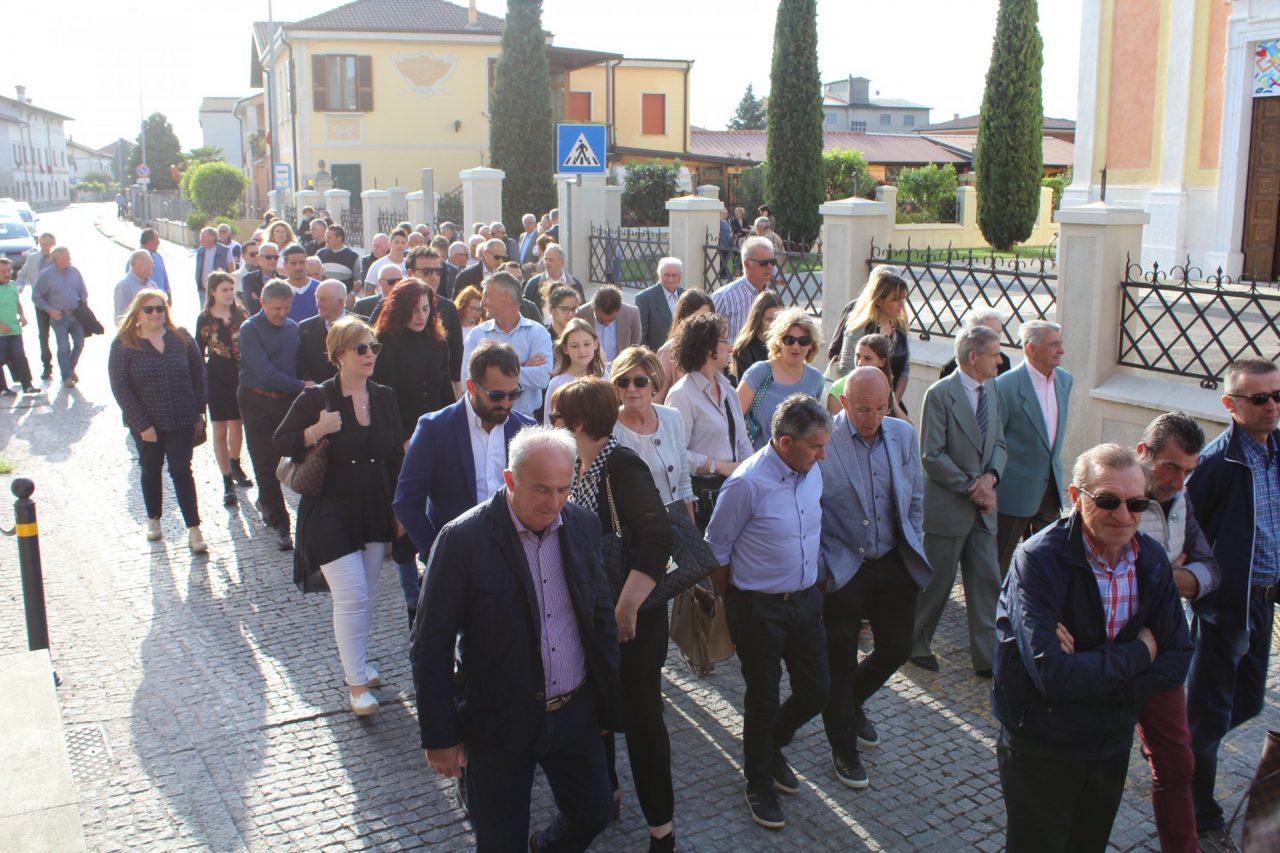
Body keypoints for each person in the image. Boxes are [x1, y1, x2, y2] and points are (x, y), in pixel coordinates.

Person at [412, 426, 620, 851]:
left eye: (564, 489)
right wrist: (440, 736)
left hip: (573, 711)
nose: (555, 502)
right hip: (498, 721)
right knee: (499, 839)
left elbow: (599, 616)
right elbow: (430, 644)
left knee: (594, 812)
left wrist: (606, 703)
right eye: (542, 490)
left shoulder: (582, 524)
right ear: (510, 480)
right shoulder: (462, 540)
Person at [993, 443, 1193, 853]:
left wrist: (1105, 683)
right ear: (1075, 498)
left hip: (1109, 739)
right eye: (1107, 501)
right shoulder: (1038, 560)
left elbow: (1177, 656)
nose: (1124, 516)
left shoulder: (1150, 558)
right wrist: (1139, 654)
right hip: (1043, 742)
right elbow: (1053, 675)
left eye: (1136, 503)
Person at [553, 378, 675, 850]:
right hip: (591, 619)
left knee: (643, 722)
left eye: (558, 420)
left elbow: (657, 539)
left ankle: (661, 830)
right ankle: (608, 795)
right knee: (596, 710)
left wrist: (627, 606)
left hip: (634, 622)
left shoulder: (621, 465)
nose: (553, 427)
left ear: (578, 424)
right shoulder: (577, 466)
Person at [705, 394, 833, 831]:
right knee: (762, 696)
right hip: (758, 607)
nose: (823, 454)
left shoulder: (812, 470)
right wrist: (732, 605)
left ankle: (769, 745)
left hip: (806, 600)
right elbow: (716, 548)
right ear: (784, 442)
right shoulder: (746, 483)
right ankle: (758, 780)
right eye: (815, 446)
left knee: (817, 690)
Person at [275, 317, 404, 716]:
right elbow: (277, 443)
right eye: (360, 349)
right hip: (328, 510)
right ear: (339, 355)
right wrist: (315, 432)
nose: (369, 356)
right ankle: (356, 685)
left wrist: (402, 509)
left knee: (366, 596)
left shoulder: (384, 396)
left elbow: (396, 456)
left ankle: (359, 662)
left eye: (373, 348)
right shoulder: (316, 399)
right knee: (351, 595)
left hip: (375, 506)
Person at [817, 367, 931, 789]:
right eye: (864, 409)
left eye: (881, 408)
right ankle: (842, 745)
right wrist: (824, 569)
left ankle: (849, 705)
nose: (873, 417)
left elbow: (915, 496)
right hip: (844, 567)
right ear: (844, 403)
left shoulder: (902, 435)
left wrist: (913, 537)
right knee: (840, 660)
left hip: (894, 562)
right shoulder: (825, 437)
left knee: (896, 649)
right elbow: (812, 508)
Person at [1184, 357, 1280, 842]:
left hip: (1264, 603)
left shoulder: (1277, 450)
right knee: (1209, 712)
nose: (1271, 406)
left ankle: (1184, 745)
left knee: (1245, 702)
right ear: (1231, 404)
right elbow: (1186, 526)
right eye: (1259, 398)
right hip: (1225, 609)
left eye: (1278, 395)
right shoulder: (1218, 462)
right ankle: (1198, 808)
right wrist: (1201, 584)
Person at [394, 341, 537, 622]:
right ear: (471, 387)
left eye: (514, 394)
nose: (506, 404)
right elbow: (406, 502)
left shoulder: (525, 429)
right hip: (457, 559)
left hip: (513, 557)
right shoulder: (435, 428)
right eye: (497, 396)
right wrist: (436, 551)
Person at [1133, 413, 1219, 853]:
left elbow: (1209, 567)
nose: (1179, 480)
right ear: (1143, 453)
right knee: (1091, 768)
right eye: (1171, 467)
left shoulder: (1182, 501)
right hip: (1108, 651)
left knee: (1176, 763)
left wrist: (1183, 578)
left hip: (1163, 651)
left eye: (1189, 470)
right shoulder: (1115, 495)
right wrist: (1171, 577)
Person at [910, 324, 1007, 676]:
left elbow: (999, 443)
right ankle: (913, 643)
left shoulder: (993, 390)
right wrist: (974, 487)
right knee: (936, 583)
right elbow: (931, 455)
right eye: (994, 354)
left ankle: (989, 658)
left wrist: (991, 478)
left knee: (987, 582)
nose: (1000, 361)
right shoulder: (940, 394)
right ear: (973, 357)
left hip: (983, 510)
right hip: (949, 508)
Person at [109, 289, 208, 553]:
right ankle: (154, 519)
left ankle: (194, 529)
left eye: (160, 308)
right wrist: (142, 424)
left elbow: (199, 376)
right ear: (137, 313)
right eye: (149, 309)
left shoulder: (181, 337)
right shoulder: (124, 344)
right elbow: (121, 388)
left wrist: (199, 410)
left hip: (181, 416)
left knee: (181, 470)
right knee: (151, 469)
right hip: (147, 422)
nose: (156, 314)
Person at [994, 320, 1072, 575]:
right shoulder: (1005, 386)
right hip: (1012, 492)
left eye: (1060, 344)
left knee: (1047, 560)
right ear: (1031, 348)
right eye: (1054, 345)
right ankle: (992, 612)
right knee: (999, 561)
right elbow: (995, 440)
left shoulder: (1065, 380)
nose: (1061, 350)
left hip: (1049, 489)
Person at [666, 313, 754, 530]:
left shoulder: (728, 390)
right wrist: (719, 466)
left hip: (732, 493)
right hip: (702, 500)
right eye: (724, 340)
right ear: (708, 348)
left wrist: (752, 473)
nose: (731, 347)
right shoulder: (682, 395)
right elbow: (675, 455)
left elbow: (742, 441)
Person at [237, 280, 306, 551]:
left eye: (286, 308)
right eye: (277, 308)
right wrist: (301, 386)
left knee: (296, 457)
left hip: (286, 402)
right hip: (256, 400)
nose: (282, 313)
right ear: (263, 303)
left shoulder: (292, 328)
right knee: (264, 462)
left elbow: (297, 363)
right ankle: (280, 522)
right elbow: (264, 371)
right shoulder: (250, 329)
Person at [610, 346, 693, 512]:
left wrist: (691, 531)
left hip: (676, 526)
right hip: (636, 532)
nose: (631, 388)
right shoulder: (609, 428)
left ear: (654, 384)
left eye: (640, 382)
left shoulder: (672, 418)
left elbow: (683, 482)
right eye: (623, 382)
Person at [195, 272, 253, 507]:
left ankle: (235, 462)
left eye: (231, 289)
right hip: (217, 375)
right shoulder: (205, 319)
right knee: (220, 428)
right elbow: (198, 351)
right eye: (224, 290)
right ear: (213, 292)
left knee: (237, 424)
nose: (229, 294)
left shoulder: (241, 315)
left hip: (241, 375)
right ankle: (226, 478)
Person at [461, 272, 553, 419]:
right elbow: (467, 381)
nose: (482, 303)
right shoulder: (477, 335)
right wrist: (520, 369)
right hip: (484, 421)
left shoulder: (537, 333)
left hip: (524, 421)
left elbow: (542, 378)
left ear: (506, 296)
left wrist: (490, 376)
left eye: (487, 295)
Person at [737, 308, 825, 451]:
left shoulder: (816, 379)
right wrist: (748, 456)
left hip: (800, 466)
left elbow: (820, 429)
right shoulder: (760, 372)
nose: (796, 346)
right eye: (789, 340)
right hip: (759, 462)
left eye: (803, 341)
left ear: (811, 344)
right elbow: (733, 418)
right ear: (779, 342)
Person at [835, 266, 911, 412]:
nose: (902, 304)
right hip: (861, 407)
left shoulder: (900, 327)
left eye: (903, 299)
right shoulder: (860, 327)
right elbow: (847, 369)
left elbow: (905, 370)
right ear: (878, 300)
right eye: (896, 300)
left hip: (891, 405)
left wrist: (891, 402)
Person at [406, 246, 465, 399]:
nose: (434, 277)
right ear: (410, 273)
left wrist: (456, 396)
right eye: (427, 272)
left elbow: (456, 355)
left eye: (437, 271)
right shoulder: (391, 306)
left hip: (436, 393)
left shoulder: (448, 308)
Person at [33, 246, 89, 389]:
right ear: (55, 259)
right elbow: (36, 296)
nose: (68, 259)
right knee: (63, 348)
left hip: (76, 315)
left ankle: (69, 369)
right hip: (59, 317)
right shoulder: (46, 275)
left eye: (68, 256)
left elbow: (83, 291)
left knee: (80, 343)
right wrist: (50, 310)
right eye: (64, 257)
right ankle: (67, 377)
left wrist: (83, 305)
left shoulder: (75, 272)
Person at [712, 235, 777, 343]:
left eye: (773, 262)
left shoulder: (772, 298)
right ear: (747, 264)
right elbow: (708, 339)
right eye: (764, 263)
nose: (770, 267)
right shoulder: (724, 297)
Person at [825, 334, 904, 420]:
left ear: (882, 362)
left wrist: (890, 399)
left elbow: (909, 428)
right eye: (858, 356)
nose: (860, 363)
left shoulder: (883, 387)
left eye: (867, 358)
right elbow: (833, 429)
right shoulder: (839, 387)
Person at [655, 290, 714, 404]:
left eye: (707, 318)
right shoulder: (668, 351)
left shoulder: (714, 349)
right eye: (697, 319)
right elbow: (658, 398)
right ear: (683, 319)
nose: (703, 324)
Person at [545, 318, 605, 424]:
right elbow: (548, 423)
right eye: (574, 346)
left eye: (587, 344)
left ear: (595, 344)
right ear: (565, 349)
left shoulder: (604, 377)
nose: (582, 351)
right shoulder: (556, 384)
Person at [18, 232, 55, 380]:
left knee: (62, 336)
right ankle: (47, 366)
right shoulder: (33, 258)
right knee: (43, 335)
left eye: (48, 244)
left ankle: (68, 367)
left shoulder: (57, 258)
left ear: (53, 244)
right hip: (40, 304)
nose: (45, 247)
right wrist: (20, 286)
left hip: (57, 304)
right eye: (42, 244)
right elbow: (23, 273)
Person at [296, 280, 349, 384]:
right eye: (317, 298)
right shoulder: (305, 328)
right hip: (317, 394)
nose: (317, 304)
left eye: (323, 299)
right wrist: (308, 381)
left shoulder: (362, 326)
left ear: (340, 302)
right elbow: (299, 360)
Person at [575, 285, 641, 367]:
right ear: (593, 307)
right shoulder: (580, 314)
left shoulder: (632, 314)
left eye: (611, 320)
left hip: (620, 370)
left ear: (619, 309)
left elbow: (635, 347)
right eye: (600, 320)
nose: (606, 324)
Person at [939, 307, 1013, 378]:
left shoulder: (1003, 362)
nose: (997, 338)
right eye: (992, 333)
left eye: (999, 333)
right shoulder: (951, 368)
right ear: (974, 333)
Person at [0, 258, 36, 395]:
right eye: (3, 271)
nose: (7, 273)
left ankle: (27, 385)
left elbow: (17, 304)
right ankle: (3, 388)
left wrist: (22, 316)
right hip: (1, 333)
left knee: (20, 357)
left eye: (9, 270)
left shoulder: (13, 285)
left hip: (14, 330)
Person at [731, 290, 783, 383]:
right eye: (769, 319)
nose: (775, 324)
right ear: (758, 319)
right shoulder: (745, 349)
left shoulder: (787, 344)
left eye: (779, 319)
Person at [634, 258, 685, 352]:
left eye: (674, 275)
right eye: (666, 275)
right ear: (659, 276)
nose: (670, 279)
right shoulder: (644, 298)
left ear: (680, 277)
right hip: (656, 358)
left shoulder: (686, 296)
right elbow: (640, 336)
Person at [524, 244, 585, 309]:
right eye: (545, 259)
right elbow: (525, 309)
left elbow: (581, 311)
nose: (547, 263)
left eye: (550, 260)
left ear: (562, 262)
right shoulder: (533, 284)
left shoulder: (576, 284)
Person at [114, 249, 157, 323]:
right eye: (150, 263)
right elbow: (120, 319)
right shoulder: (123, 286)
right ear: (140, 266)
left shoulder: (152, 285)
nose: (153, 266)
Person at [280, 244, 320, 323]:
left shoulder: (320, 288)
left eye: (301, 262)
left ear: (306, 262)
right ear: (285, 265)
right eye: (293, 263)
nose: (298, 267)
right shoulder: (278, 290)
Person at [317, 224, 360, 296]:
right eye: (326, 237)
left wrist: (352, 295)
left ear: (339, 238)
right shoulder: (320, 254)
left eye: (329, 237)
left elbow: (359, 281)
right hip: (323, 298)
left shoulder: (352, 256)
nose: (326, 240)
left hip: (342, 300)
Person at [240, 241, 279, 316]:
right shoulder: (249, 279)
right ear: (259, 258)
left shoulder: (284, 280)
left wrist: (259, 301)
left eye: (276, 257)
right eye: (268, 257)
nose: (273, 260)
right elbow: (251, 307)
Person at [194, 227, 232, 299]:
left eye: (203, 237)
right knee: (204, 310)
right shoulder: (200, 251)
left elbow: (231, 269)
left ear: (212, 237)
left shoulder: (225, 250)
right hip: (203, 291)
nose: (200, 239)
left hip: (219, 291)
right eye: (200, 237)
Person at [138, 228, 171, 300]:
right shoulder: (136, 259)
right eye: (157, 239)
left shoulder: (158, 257)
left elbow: (164, 277)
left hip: (161, 300)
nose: (159, 242)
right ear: (150, 241)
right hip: (147, 304)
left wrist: (168, 294)